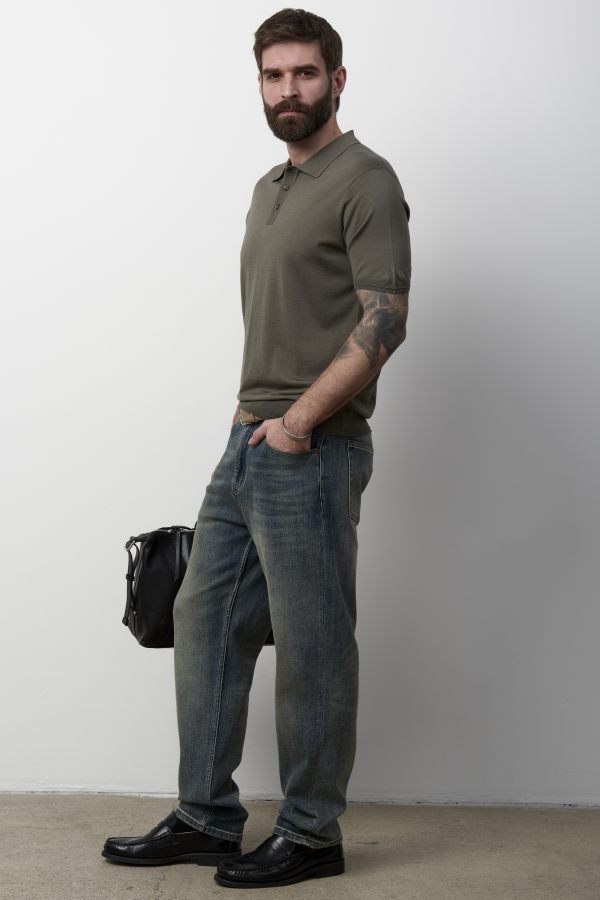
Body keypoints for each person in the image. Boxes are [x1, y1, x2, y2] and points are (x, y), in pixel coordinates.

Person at [102, 7, 411, 889]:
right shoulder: (270, 185)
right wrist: (257, 428)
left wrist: (299, 423)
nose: (288, 90)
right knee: (203, 619)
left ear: (337, 80)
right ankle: (206, 816)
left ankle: (312, 834)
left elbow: (385, 323)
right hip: (249, 438)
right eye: (274, 76)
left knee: (313, 644)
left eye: (305, 73)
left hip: (312, 444)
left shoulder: (366, 179)